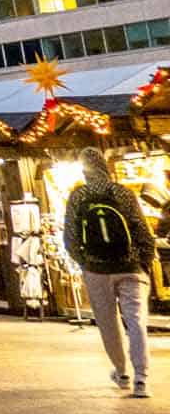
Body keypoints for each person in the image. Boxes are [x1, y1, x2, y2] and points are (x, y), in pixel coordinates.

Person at [63, 147, 155, 398]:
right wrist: (143, 262)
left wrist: (85, 261)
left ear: (84, 170)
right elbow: (141, 230)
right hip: (130, 266)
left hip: (96, 269)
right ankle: (142, 379)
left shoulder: (78, 197)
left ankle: (121, 371)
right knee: (136, 321)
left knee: (108, 323)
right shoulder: (122, 193)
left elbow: (70, 237)